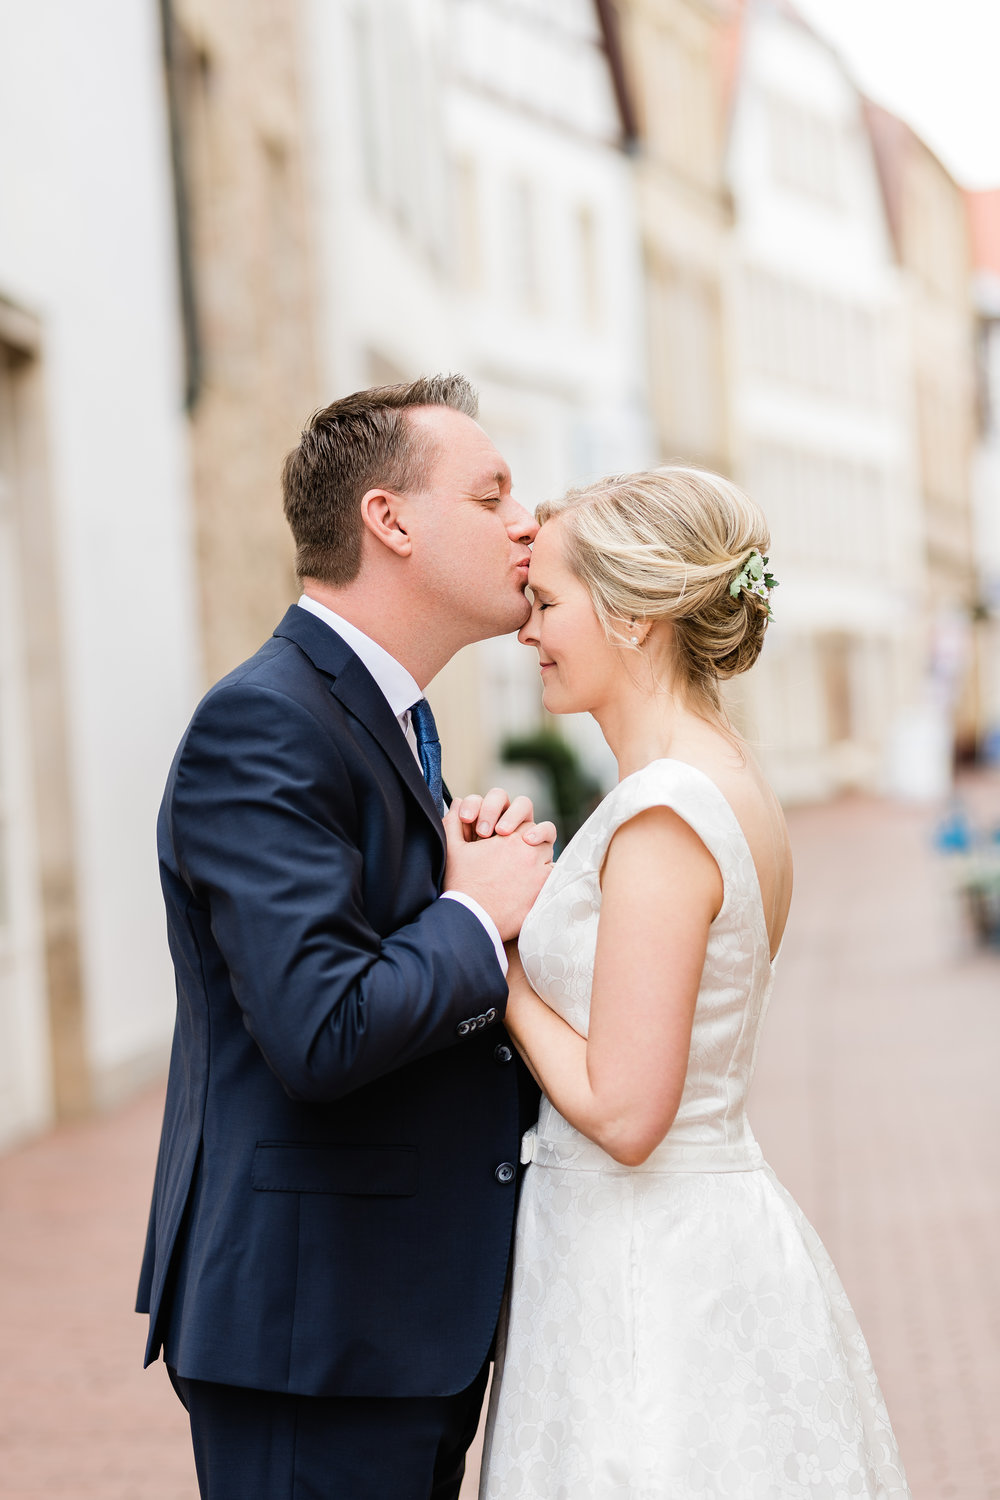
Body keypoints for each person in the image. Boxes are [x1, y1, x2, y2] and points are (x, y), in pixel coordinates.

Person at [136, 374, 556, 1500]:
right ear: (391, 520)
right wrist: (477, 912)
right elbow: (321, 1027)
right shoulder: (265, 720)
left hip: (393, 1320)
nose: (528, 522)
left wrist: (461, 873)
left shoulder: (388, 719)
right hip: (311, 1334)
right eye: (492, 493)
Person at [477, 467, 912, 1498]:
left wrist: (489, 955)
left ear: (631, 616)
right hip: (682, 1233)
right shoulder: (719, 774)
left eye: (546, 603)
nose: (525, 630)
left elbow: (627, 1111)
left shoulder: (667, 810)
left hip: (646, 1271)